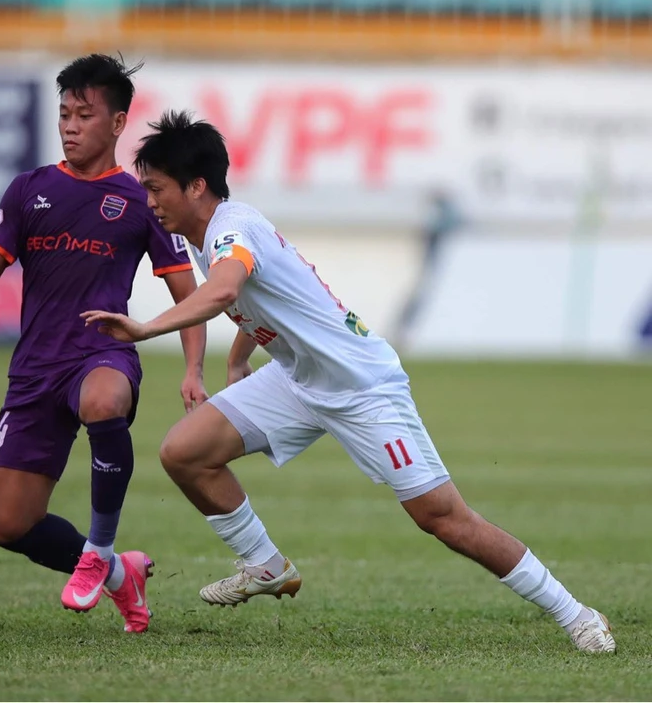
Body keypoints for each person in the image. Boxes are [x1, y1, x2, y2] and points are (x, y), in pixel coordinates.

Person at [81, 110, 616, 653]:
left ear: (196, 187)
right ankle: (265, 564)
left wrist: (145, 329)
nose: (149, 201)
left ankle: (577, 614)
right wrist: (240, 358)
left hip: (362, 387)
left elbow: (224, 292)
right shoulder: (213, 233)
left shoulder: (230, 230)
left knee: (443, 519)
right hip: (297, 378)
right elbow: (270, 298)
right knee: (184, 453)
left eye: (156, 188)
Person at [0, 58, 207, 634]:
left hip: (103, 354)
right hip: (35, 368)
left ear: (118, 123)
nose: (70, 126)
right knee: (10, 524)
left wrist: (193, 368)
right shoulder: (30, 189)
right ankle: (121, 573)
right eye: (64, 114)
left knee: (104, 401)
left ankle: (98, 549)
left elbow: (187, 292)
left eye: (84, 115)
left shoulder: (140, 200)